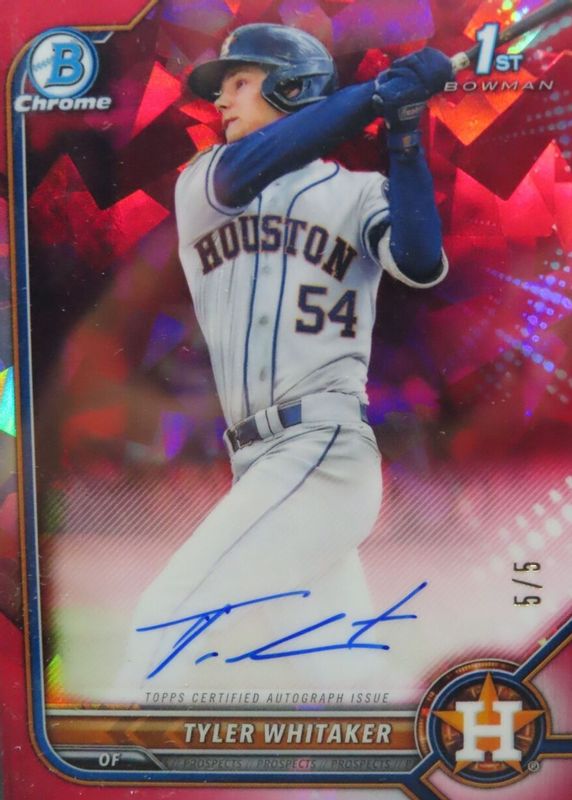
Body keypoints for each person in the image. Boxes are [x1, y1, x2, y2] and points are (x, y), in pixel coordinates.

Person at [116, 24, 451, 697]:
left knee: (167, 625)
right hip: (258, 460)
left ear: (293, 88)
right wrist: (372, 96)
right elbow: (260, 163)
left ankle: (118, 761)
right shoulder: (205, 179)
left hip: (322, 449)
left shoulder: (358, 194)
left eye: (240, 82)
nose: (221, 100)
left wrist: (404, 135)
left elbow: (419, 262)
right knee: (350, 683)